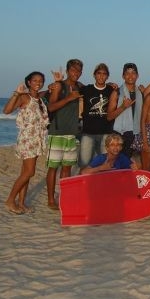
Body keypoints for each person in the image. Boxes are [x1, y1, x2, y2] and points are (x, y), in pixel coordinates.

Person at [3, 71, 50, 214]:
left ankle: (21, 203)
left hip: (37, 139)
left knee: (25, 173)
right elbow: (6, 110)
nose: (38, 83)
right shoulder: (24, 97)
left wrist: (57, 82)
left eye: (40, 81)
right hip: (28, 139)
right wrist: (16, 93)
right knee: (30, 172)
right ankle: (10, 200)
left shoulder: (39, 98)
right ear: (28, 82)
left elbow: (47, 91)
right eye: (35, 80)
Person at [46, 58, 84, 210]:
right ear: (68, 71)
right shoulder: (59, 86)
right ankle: (50, 200)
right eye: (73, 70)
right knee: (53, 168)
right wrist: (68, 98)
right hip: (57, 132)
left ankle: (64, 197)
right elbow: (51, 107)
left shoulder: (80, 87)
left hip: (73, 133)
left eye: (79, 70)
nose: (76, 73)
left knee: (67, 168)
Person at [78, 63, 115, 168]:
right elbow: (74, 86)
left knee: (105, 165)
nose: (101, 76)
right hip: (88, 133)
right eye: (99, 73)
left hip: (106, 133)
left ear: (107, 76)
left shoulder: (111, 90)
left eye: (104, 74)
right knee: (84, 164)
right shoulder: (86, 89)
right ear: (94, 75)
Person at [107, 63, 143, 159]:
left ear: (137, 76)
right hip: (119, 133)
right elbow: (109, 117)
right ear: (123, 76)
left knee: (126, 161)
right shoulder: (117, 93)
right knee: (114, 162)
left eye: (133, 73)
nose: (130, 76)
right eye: (127, 73)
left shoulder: (140, 93)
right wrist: (123, 107)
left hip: (134, 132)